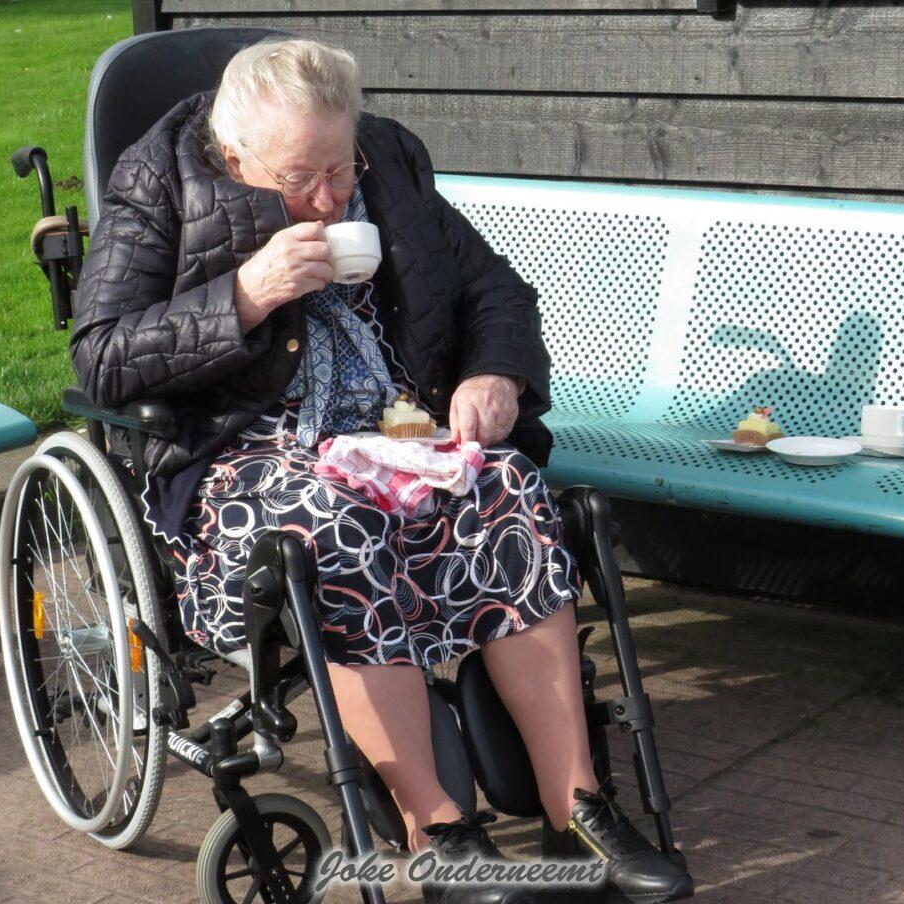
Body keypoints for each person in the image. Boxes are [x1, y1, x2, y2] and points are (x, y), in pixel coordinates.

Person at [70, 36, 692, 904]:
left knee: (507, 489)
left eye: (341, 168)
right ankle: (440, 832)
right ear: (234, 154)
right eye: (300, 179)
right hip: (245, 456)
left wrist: (495, 375)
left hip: (397, 434)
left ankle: (579, 807)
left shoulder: (389, 159)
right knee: (334, 521)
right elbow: (101, 357)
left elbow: (496, 292)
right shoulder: (161, 178)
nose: (330, 197)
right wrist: (245, 295)